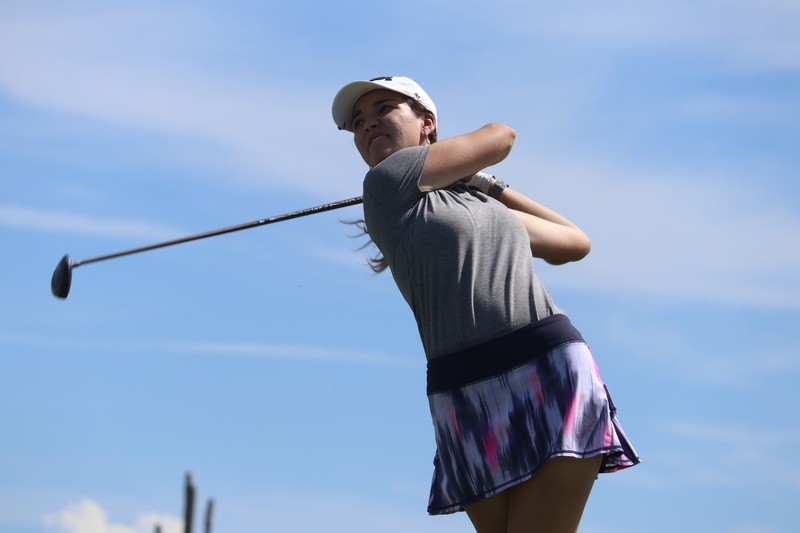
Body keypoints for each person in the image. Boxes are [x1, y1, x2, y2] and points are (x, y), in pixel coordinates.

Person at [331, 76, 639, 533]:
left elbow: (574, 241)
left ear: (427, 122)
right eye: (358, 122)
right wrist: (472, 175)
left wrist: (487, 186)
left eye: (384, 109)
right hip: (461, 390)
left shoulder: (478, 204)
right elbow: (498, 139)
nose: (368, 124)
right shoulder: (385, 182)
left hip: (543, 365)